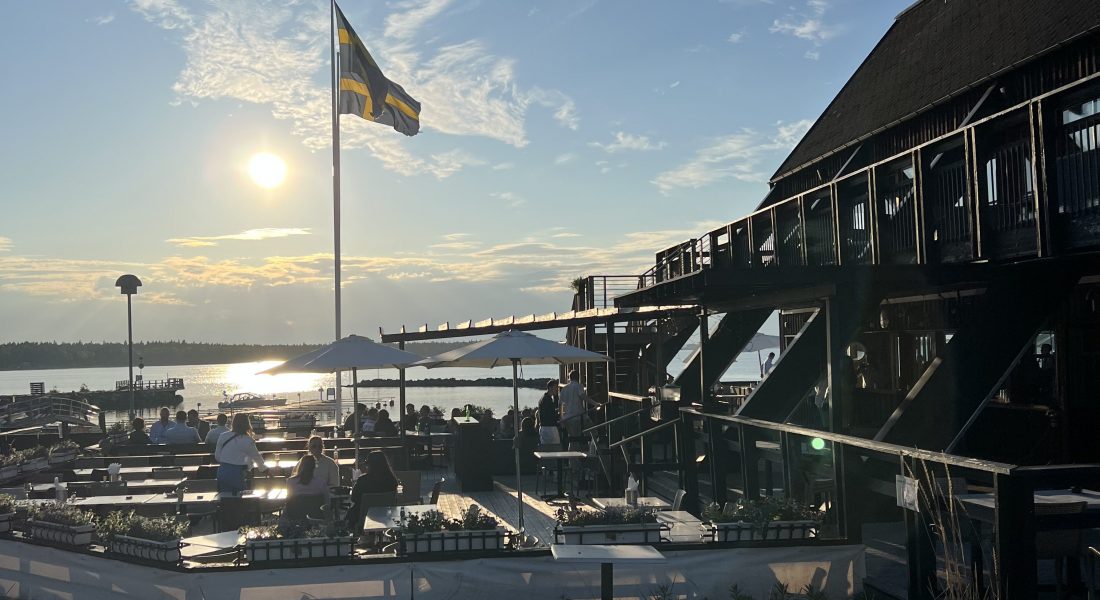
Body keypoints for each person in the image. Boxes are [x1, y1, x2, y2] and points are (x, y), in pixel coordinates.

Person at [214, 413, 268, 494]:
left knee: (224, 497)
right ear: (247, 424)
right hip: (238, 473)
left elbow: (217, 457)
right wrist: (265, 470)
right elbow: (257, 458)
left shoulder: (223, 436)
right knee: (241, 497)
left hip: (223, 471)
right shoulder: (248, 440)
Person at [346, 450, 398, 529]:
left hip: (364, 518)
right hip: (385, 516)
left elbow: (354, 498)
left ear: (370, 465)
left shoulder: (363, 481)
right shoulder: (392, 481)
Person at [559, 370, 600, 451]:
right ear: (578, 377)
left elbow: (560, 404)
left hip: (567, 418)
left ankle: (573, 456)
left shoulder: (564, 389)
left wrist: (561, 418)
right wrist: (595, 403)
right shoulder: (578, 386)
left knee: (573, 439)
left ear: (569, 378)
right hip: (578, 417)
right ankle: (591, 451)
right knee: (594, 433)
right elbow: (583, 397)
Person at [537, 380, 561, 448]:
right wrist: (559, 416)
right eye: (555, 388)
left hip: (544, 427)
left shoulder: (545, 399)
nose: (557, 390)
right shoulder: (547, 400)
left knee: (546, 448)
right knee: (555, 447)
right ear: (550, 388)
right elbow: (551, 414)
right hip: (549, 427)